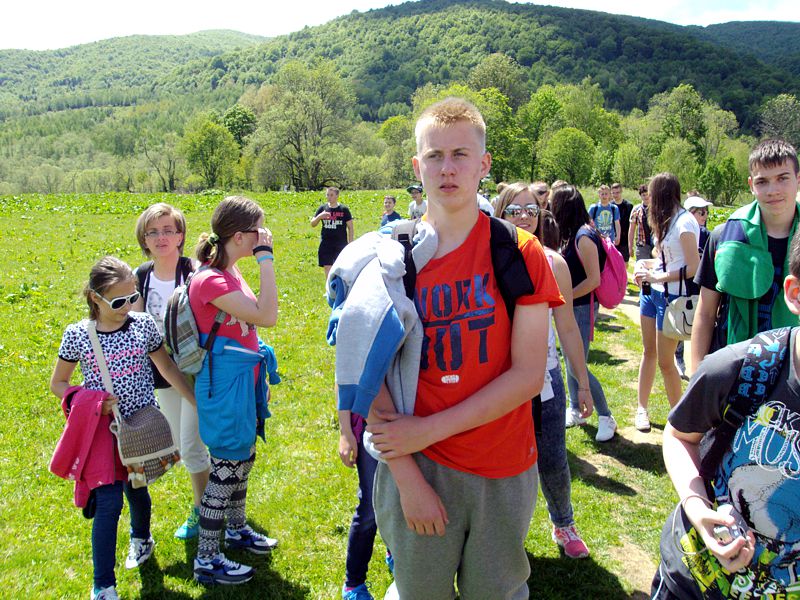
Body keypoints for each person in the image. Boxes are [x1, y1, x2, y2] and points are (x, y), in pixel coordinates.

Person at [364, 98, 563, 599]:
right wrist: (408, 478)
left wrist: (426, 430)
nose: (447, 169)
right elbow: (366, 375)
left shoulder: (519, 252)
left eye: (460, 155)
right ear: (417, 166)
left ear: (484, 164)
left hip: (503, 467)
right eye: (434, 156)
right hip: (419, 466)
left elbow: (527, 375)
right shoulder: (390, 258)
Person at [653, 230, 800, 598]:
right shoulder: (741, 367)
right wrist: (698, 508)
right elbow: (679, 435)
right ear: (795, 293)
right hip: (697, 579)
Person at [50, 256, 197, 600]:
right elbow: (58, 383)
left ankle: (141, 538)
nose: (127, 307)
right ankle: (103, 586)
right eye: (118, 302)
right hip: (102, 429)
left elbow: (167, 368)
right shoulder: (77, 335)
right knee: (108, 502)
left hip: (140, 426)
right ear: (95, 298)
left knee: (136, 488)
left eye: (132, 297)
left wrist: (194, 402)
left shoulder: (143, 325)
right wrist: (89, 401)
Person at [495, 184, 592, 559]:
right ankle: (502, 531)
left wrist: (582, 384)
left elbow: (567, 327)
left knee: (552, 458)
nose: (523, 217)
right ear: (500, 213)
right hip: (495, 379)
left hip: (545, 378)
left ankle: (564, 523)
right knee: (500, 461)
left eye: (530, 210)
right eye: (514, 210)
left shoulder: (553, 263)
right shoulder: (484, 259)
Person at [189, 196, 280, 585]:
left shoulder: (229, 272)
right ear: (241, 237)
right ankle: (206, 559)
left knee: (243, 458)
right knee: (225, 469)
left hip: (242, 376)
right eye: (259, 229)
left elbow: (254, 322)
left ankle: (236, 530)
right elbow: (268, 315)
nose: (265, 234)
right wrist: (266, 260)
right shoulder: (211, 280)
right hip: (224, 382)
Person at [132, 203, 210, 540]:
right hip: (161, 372)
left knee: (191, 445)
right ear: (144, 239)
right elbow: (136, 326)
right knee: (181, 442)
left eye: (168, 230)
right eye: (153, 232)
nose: (161, 237)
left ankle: (204, 511)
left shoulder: (194, 271)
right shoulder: (140, 276)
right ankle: (216, 498)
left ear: (180, 236)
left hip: (196, 369)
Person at [691, 139, 800, 373]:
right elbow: (705, 313)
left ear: (798, 179)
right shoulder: (723, 238)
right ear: (751, 185)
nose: (773, 190)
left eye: (782, 178)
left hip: (794, 374)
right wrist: (697, 377)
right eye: (762, 181)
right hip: (733, 372)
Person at [632, 173, 700, 431]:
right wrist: (644, 265)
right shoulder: (666, 220)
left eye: (651, 194)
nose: (648, 199)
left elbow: (693, 267)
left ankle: (679, 421)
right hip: (652, 293)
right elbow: (663, 259)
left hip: (671, 299)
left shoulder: (684, 223)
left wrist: (657, 275)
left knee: (665, 361)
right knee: (648, 352)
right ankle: (642, 409)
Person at [551, 184, 618, 442]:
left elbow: (593, 280)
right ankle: (576, 409)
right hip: (571, 307)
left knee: (577, 365)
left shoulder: (584, 237)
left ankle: (606, 416)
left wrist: (565, 297)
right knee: (570, 361)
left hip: (581, 308)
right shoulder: (573, 234)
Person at [311, 187, 355, 278]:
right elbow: (313, 224)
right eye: (327, 195)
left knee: (341, 267)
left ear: (337, 196)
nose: (329, 197)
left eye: (331, 195)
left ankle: (339, 285)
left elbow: (350, 227)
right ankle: (329, 286)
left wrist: (350, 243)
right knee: (327, 267)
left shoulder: (343, 209)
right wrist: (320, 216)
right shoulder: (323, 208)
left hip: (340, 243)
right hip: (326, 243)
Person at [629, 184, 655, 261]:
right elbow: (632, 229)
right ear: (640, 196)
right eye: (643, 195)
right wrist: (630, 247)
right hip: (642, 245)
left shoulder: (657, 208)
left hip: (656, 244)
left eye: (648, 194)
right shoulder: (636, 210)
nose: (646, 197)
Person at [611, 182, 633, 262]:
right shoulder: (609, 206)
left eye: (617, 192)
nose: (615, 195)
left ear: (621, 192)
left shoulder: (629, 206)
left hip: (625, 240)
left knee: (624, 263)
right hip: (612, 239)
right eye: (613, 193)